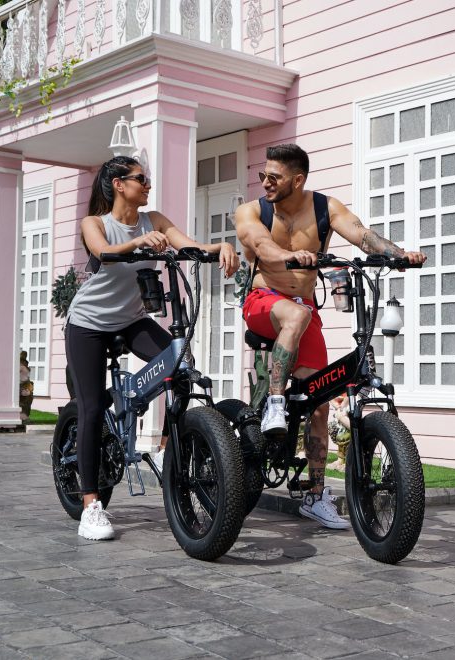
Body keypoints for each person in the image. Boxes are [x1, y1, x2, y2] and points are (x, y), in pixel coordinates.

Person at [234, 143, 425, 529]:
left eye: (275, 177)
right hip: (263, 303)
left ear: (298, 179)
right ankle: (274, 402)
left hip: (305, 313)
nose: (266, 182)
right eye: (263, 176)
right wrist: (289, 256)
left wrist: (398, 254)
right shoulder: (253, 210)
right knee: (293, 314)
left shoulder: (324, 208)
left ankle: (316, 494)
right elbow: (259, 245)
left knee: (320, 401)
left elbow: (362, 235)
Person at [66, 156, 240, 541]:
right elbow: (104, 253)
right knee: (93, 407)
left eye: (147, 179)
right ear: (117, 184)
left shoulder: (155, 220)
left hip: (130, 320)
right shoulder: (96, 223)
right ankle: (92, 505)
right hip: (88, 324)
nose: (147, 185)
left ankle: (166, 447)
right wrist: (138, 242)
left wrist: (221, 247)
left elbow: (191, 247)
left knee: (180, 364)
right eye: (140, 179)